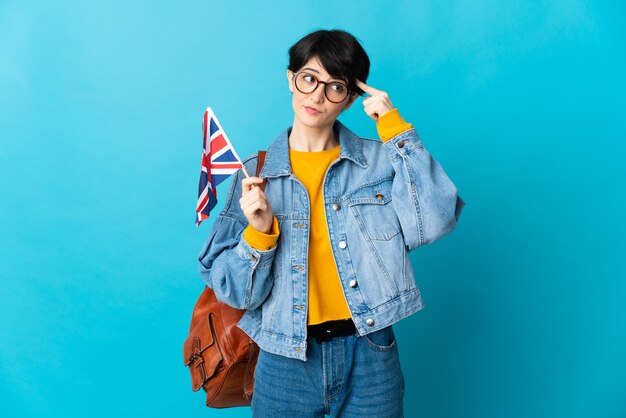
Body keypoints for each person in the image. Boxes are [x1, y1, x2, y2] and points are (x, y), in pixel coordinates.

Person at [198, 29, 465, 418]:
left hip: (370, 350)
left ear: (352, 98)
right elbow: (234, 292)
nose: (317, 96)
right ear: (291, 78)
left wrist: (394, 127)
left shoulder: (379, 162)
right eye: (309, 79)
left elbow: (436, 221)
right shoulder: (255, 175)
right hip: (284, 356)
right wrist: (259, 233)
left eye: (335, 86)